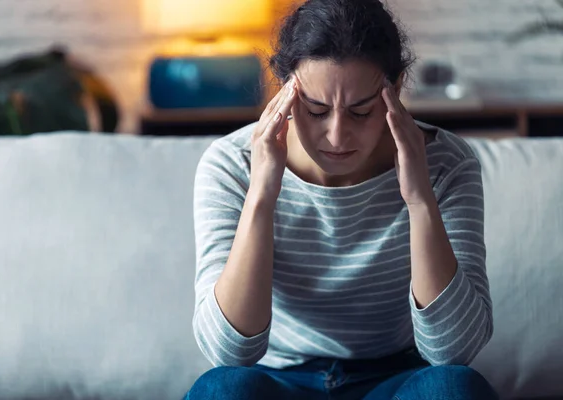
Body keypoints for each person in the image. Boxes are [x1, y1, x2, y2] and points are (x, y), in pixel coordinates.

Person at [186, 0, 498, 398]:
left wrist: (420, 199)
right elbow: (228, 352)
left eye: (361, 111)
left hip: (398, 376)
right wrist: (262, 195)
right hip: (281, 378)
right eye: (315, 110)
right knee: (222, 389)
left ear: (395, 88)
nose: (336, 136)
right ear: (284, 88)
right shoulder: (231, 165)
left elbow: (455, 349)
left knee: (453, 388)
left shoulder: (445, 164)